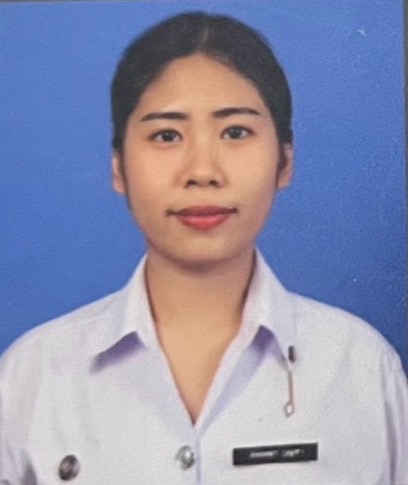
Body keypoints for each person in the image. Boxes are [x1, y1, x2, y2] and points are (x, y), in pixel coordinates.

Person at [0, 11, 407, 484]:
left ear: (284, 162)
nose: (202, 171)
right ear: (118, 168)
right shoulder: (31, 376)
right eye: (167, 135)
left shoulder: (361, 368)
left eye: (235, 132)